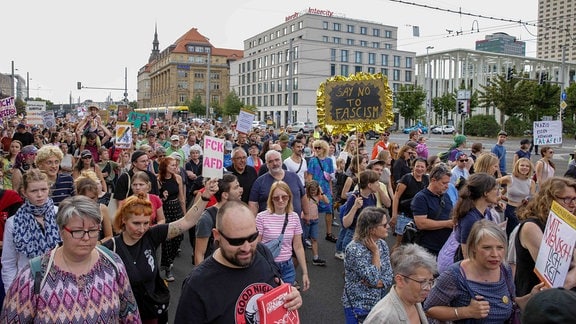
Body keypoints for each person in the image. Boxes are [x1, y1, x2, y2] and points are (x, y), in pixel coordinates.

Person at [0, 195, 140, 323]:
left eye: (92, 230)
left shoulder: (112, 263)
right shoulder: (34, 275)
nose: (86, 238)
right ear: (61, 231)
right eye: (77, 231)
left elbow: (130, 315)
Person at [104, 178, 218, 323]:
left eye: (146, 223)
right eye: (136, 223)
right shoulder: (110, 248)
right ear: (123, 220)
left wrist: (205, 197)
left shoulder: (151, 235)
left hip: (152, 313)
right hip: (124, 317)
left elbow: (186, 222)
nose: (142, 229)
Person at [174, 200, 303, 323]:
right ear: (217, 235)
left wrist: (291, 296)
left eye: (252, 237)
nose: (246, 248)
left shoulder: (262, 252)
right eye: (236, 241)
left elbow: (278, 288)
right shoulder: (197, 285)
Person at [424, 220, 542, 323]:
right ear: (473, 248)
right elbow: (429, 309)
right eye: (487, 248)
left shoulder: (504, 270)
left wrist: (532, 297)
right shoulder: (455, 275)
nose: (495, 254)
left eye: (500, 248)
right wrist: (466, 312)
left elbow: (511, 304)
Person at [514, 177, 576, 297]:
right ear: (549, 200)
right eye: (567, 199)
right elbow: (556, 276)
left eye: (575, 199)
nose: (573, 204)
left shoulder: (568, 224)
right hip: (539, 301)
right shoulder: (531, 227)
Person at [1, 169, 60, 291]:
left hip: (59, 281)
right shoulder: (13, 222)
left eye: (43, 189)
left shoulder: (60, 214)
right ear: (24, 192)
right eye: (34, 191)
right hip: (26, 284)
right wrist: (11, 292)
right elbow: (8, 262)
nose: (40, 195)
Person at [342, 207, 393, 323]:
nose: (388, 227)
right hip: (357, 306)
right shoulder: (354, 249)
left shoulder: (382, 245)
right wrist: (375, 253)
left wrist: (377, 283)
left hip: (377, 304)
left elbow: (389, 277)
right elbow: (374, 279)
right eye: (384, 225)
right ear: (371, 229)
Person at [256, 181, 310, 289]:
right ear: (271, 199)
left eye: (284, 197)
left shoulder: (294, 217)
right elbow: (256, 245)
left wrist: (305, 272)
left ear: (289, 197)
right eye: (276, 198)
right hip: (268, 266)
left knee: (286, 301)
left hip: (287, 267)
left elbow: (298, 246)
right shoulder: (261, 217)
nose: (280, 200)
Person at [365, 244, 437, 324]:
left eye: (430, 281)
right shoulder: (384, 317)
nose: (428, 288)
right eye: (422, 282)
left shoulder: (414, 299)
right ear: (400, 280)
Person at [194, 174, 243, 265]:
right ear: (225, 195)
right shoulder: (207, 218)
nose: (241, 190)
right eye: (236, 187)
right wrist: (200, 278)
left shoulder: (239, 213)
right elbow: (199, 254)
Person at [336, 170, 381, 260]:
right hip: (353, 235)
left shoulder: (373, 197)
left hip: (366, 236)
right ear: (369, 185)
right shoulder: (354, 198)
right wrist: (355, 207)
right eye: (376, 182)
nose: (379, 185)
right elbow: (345, 223)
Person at [411, 163, 454, 256]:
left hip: (445, 248)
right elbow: (421, 223)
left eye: (448, 183)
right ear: (433, 180)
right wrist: (447, 224)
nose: (447, 186)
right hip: (428, 249)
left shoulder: (445, 196)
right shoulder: (421, 198)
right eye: (444, 183)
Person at [390, 158, 429, 252]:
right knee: (400, 244)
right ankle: (391, 262)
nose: (419, 169)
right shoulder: (406, 179)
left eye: (422, 167)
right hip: (405, 216)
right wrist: (394, 215)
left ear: (426, 168)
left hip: (418, 216)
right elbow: (396, 197)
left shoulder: (426, 179)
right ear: (413, 167)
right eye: (417, 166)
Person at [157, 156, 186, 282]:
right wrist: (162, 198)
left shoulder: (178, 178)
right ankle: (167, 267)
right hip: (165, 210)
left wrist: (185, 216)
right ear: (165, 167)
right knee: (167, 240)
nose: (175, 167)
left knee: (178, 237)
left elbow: (182, 198)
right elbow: (156, 200)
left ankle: (170, 260)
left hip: (176, 209)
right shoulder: (159, 180)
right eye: (172, 165)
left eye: (176, 165)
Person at [307, 139, 337, 243]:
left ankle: (328, 233)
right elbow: (309, 177)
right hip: (315, 190)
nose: (316, 149)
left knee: (329, 211)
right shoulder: (312, 160)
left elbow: (329, 177)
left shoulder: (329, 160)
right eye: (315, 147)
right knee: (313, 212)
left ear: (324, 149)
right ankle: (310, 236)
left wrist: (330, 190)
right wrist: (311, 191)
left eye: (319, 147)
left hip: (326, 189)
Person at [497, 158, 536, 236]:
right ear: (517, 166)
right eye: (522, 165)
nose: (524, 168)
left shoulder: (531, 182)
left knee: (520, 234)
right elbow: (491, 182)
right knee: (510, 234)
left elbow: (532, 198)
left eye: (527, 166)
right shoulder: (509, 178)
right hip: (510, 209)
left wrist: (528, 201)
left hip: (523, 210)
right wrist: (499, 196)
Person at [74, 174, 114, 244]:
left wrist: (99, 243)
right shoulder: (73, 210)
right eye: (86, 198)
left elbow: (109, 236)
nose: (90, 202)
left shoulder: (102, 209)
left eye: (93, 198)